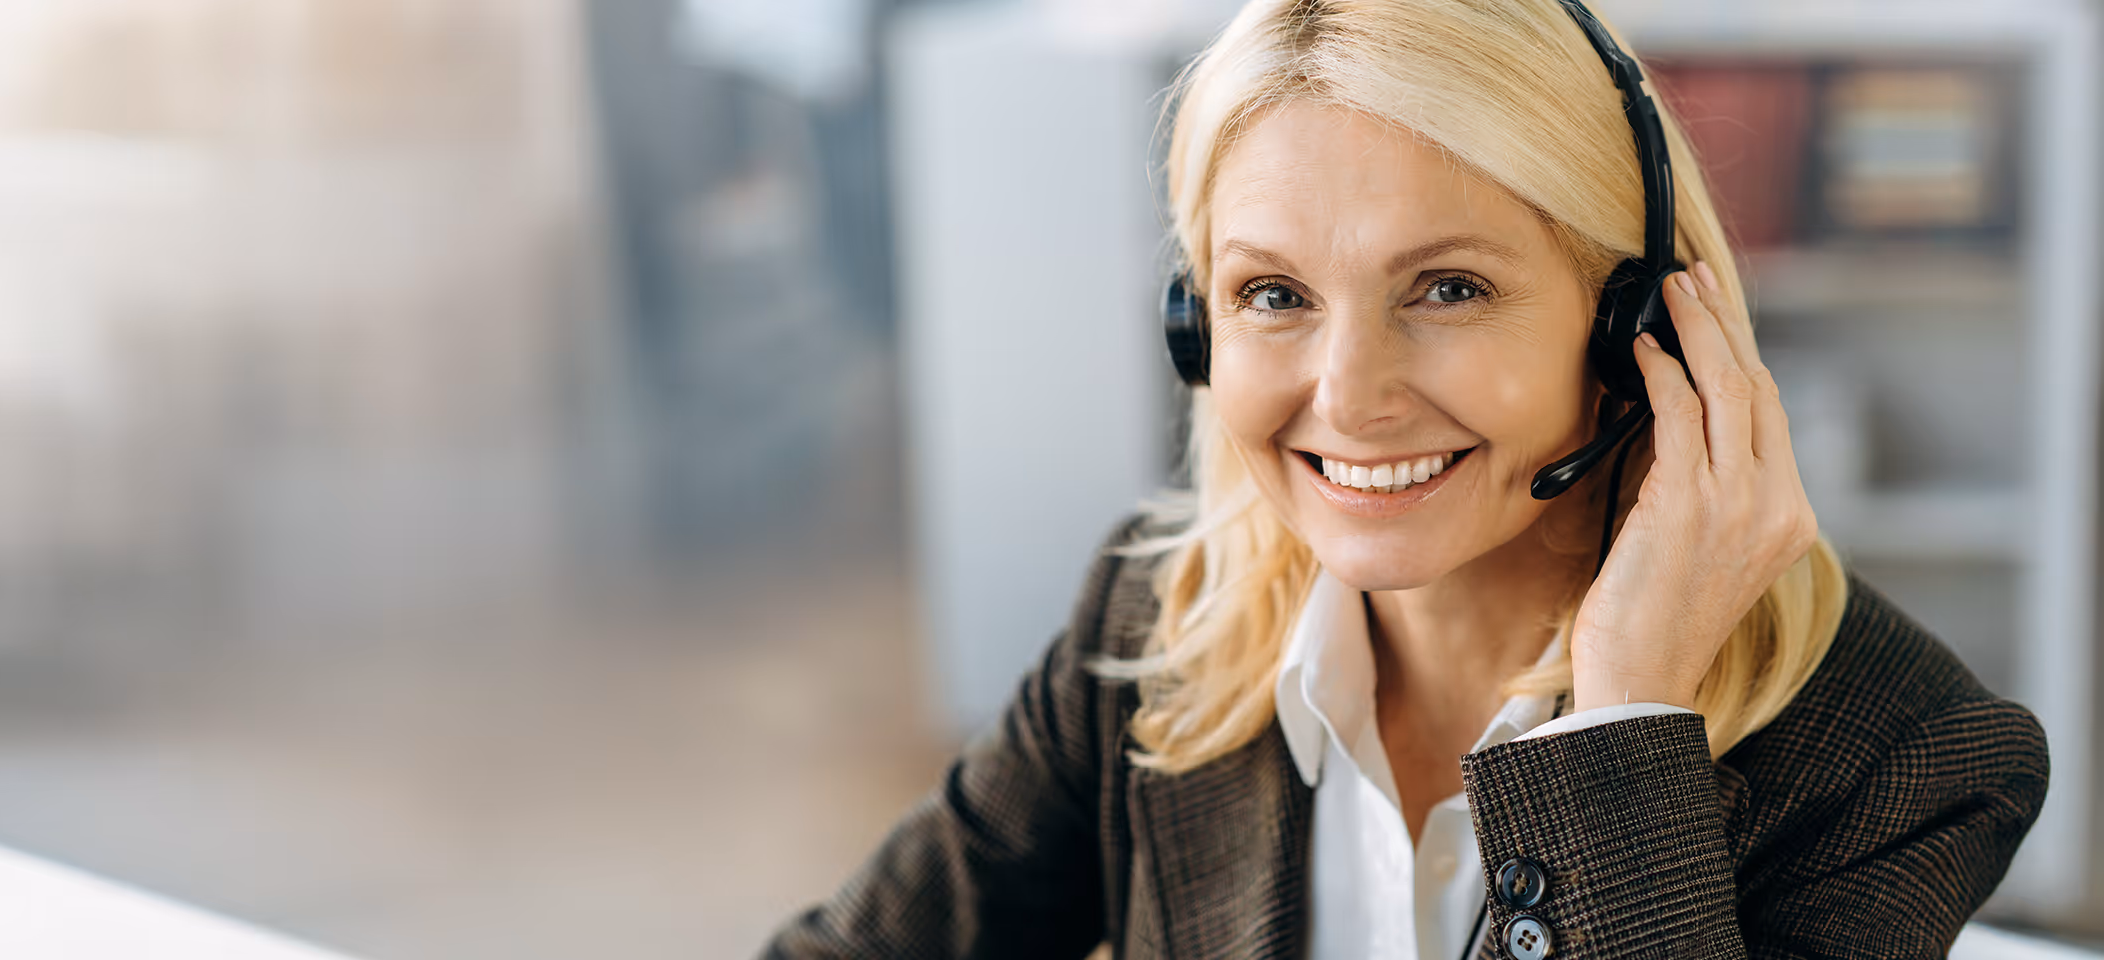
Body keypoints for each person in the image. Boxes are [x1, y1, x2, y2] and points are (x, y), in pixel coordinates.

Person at [759, 0, 2050, 957]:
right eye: (1273, 294)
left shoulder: (1904, 761)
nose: (1348, 395)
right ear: (1198, 330)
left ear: (1636, 328)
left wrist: (1622, 728)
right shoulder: (1155, 621)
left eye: (1448, 288)